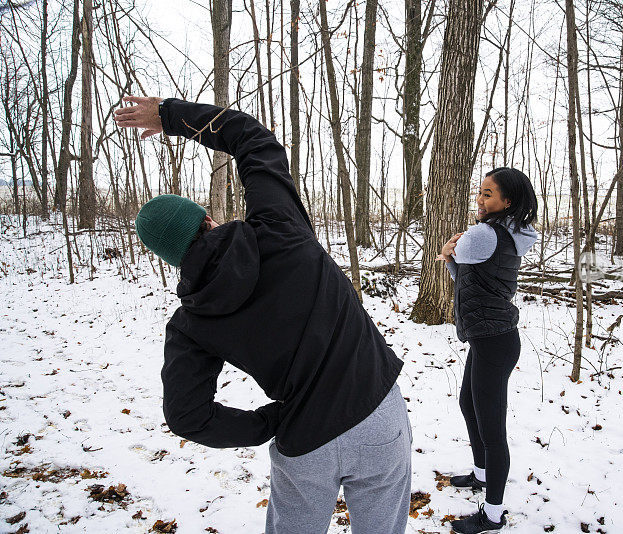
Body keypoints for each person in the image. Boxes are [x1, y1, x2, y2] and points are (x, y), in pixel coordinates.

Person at [114, 96, 412, 534]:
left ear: (172, 258)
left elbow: (186, 415)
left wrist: (269, 422)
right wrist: (170, 116)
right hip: (378, 417)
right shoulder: (277, 224)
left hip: (304, 441)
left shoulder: (190, 324)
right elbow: (253, 139)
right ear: (209, 219)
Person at [437, 167, 538, 534]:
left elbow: (459, 259)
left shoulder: (483, 234)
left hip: (494, 342)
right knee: (469, 404)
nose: (480, 199)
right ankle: (481, 475)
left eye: (489, 194)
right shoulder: (507, 234)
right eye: (479, 192)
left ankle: (492, 515)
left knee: (493, 431)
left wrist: (448, 253)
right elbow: (469, 277)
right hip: (491, 338)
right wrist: (451, 259)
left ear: (506, 201)